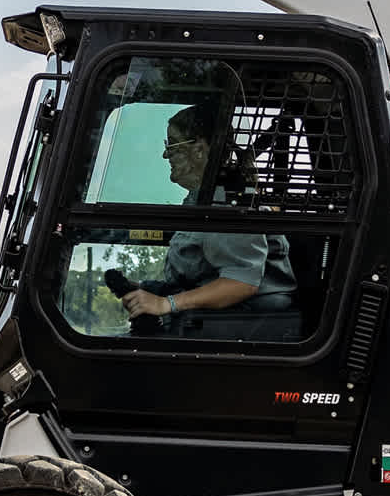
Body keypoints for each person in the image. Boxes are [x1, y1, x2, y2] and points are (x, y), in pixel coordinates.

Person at [122, 101, 300, 335]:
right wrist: (150, 290)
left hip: (239, 331)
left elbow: (241, 283)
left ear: (199, 149)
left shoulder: (225, 202)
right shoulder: (201, 199)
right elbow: (202, 274)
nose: (166, 155)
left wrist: (166, 304)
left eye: (173, 145)